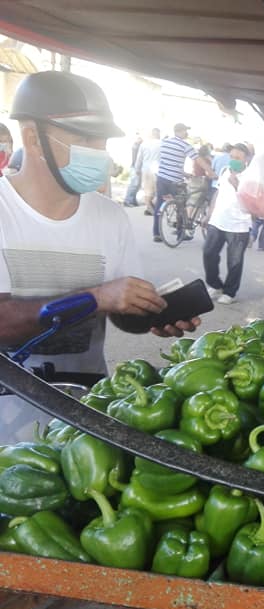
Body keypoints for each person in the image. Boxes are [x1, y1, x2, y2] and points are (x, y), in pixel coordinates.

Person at [0, 71, 199, 381]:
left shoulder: (111, 216)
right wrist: (94, 297)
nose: (99, 152)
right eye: (84, 138)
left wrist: (149, 312)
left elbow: (116, 308)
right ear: (33, 139)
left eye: (102, 141)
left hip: (85, 405)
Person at [203, 144, 251, 305]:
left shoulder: (251, 177)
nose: (233, 160)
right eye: (232, 157)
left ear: (246, 160)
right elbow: (218, 192)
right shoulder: (225, 171)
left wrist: (237, 184)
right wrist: (209, 214)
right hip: (217, 221)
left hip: (239, 226)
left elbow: (253, 202)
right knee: (208, 253)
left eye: (237, 158)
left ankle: (230, 292)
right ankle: (215, 284)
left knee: (234, 261)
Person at [153, 122, 198, 243]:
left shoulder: (165, 142)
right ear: (181, 131)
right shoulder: (185, 145)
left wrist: (185, 174)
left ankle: (156, 234)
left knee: (159, 204)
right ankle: (180, 234)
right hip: (175, 182)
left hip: (162, 177)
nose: (187, 133)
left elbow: (169, 163)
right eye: (185, 131)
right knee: (181, 206)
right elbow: (197, 159)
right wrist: (210, 171)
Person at [135, 128, 162, 215]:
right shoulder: (162, 144)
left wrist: (137, 169)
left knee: (148, 191)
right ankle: (153, 208)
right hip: (158, 170)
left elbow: (139, 158)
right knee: (158, 191)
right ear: (158, 134)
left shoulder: (144, 144)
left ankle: (149, 208)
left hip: (146, 169)